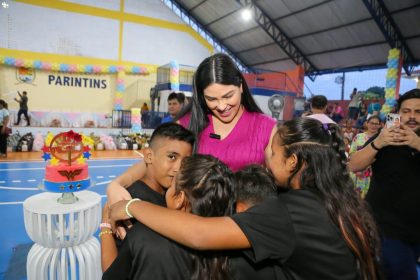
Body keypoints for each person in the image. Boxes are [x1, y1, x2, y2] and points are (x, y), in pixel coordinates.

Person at [109, 117, 382, 280]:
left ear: (293, 162)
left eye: (272, 153)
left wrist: (132, 206)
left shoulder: (289, 211)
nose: (266, 158)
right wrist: (120, 183)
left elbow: (200, 235)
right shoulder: (332, 197)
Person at [106, 53, 276, 207]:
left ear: (241, 86)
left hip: (243, 225)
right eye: (212, 99)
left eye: (228, 96)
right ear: (201, 96)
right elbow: (155, 161)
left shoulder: (267, 127)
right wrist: (117, 184)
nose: (222, 106)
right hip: (193, 222)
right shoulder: (187, 123)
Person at [101, 154, 235, 279]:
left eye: (171, 185)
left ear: (179, 199)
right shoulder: (232, 244)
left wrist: (105, 221)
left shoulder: (142, 236)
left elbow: (110, 274)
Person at [348, 89, 420, 280]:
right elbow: (353, 164)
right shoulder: (386, 135)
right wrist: (378, 143)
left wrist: (418, 143)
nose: (412, 117)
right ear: (398, 113)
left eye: (418, 112)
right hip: (386, 228)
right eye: (406, 111)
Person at [348, 115, 382, 198]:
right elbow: (351, 154)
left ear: (380, 125)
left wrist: (366, 166)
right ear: (367, 123)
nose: (374, 126)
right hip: (356, 173)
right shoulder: (358, 137)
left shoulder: (381, 139)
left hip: (372, 174)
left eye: (376, 124)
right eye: (372, 123)